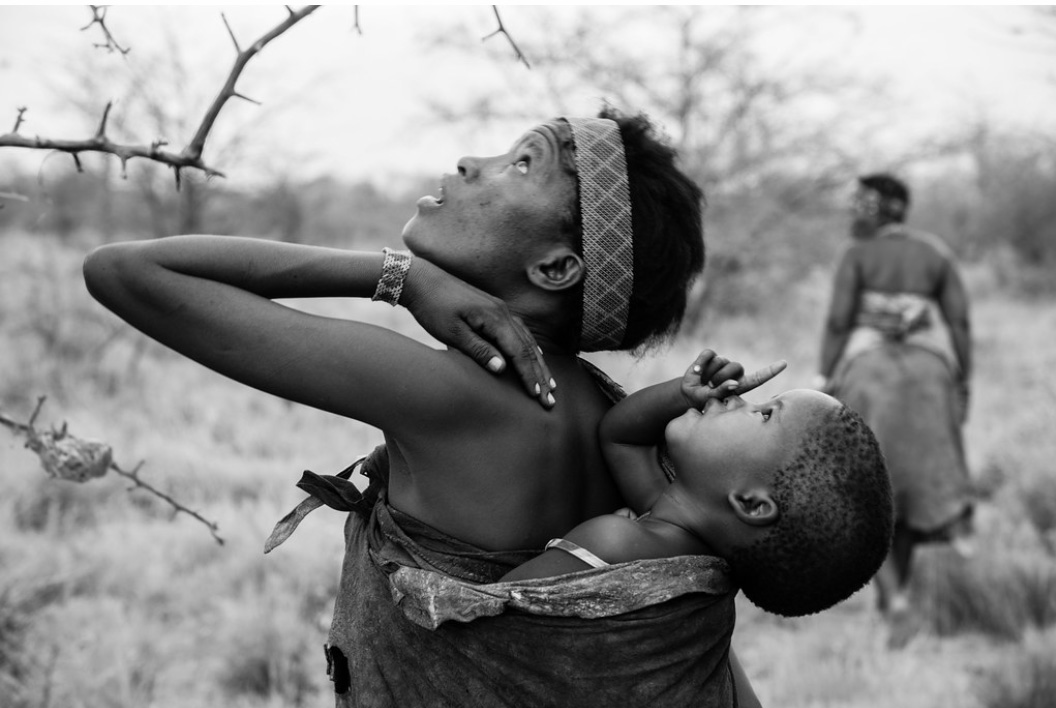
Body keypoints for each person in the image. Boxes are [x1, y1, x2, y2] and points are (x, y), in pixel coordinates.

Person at [83, 108, 748, 706]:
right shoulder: (609, 415)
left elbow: (126, 273)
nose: (468, 162)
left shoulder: (454, 397)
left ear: (555, 268)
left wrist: (398, 277)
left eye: (521, 164)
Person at [816, 173, 974, 642]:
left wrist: (824, 378)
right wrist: (963, 381)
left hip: (869, 372)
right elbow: (960, 322)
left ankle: (894, 601)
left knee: (872, 488)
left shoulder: (856, 256)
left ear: (888, 209)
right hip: (932, 374)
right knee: (910, 489)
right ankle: (898, 597)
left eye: (861, 204)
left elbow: (839, 320)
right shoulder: (935, 254)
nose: (852, 212)